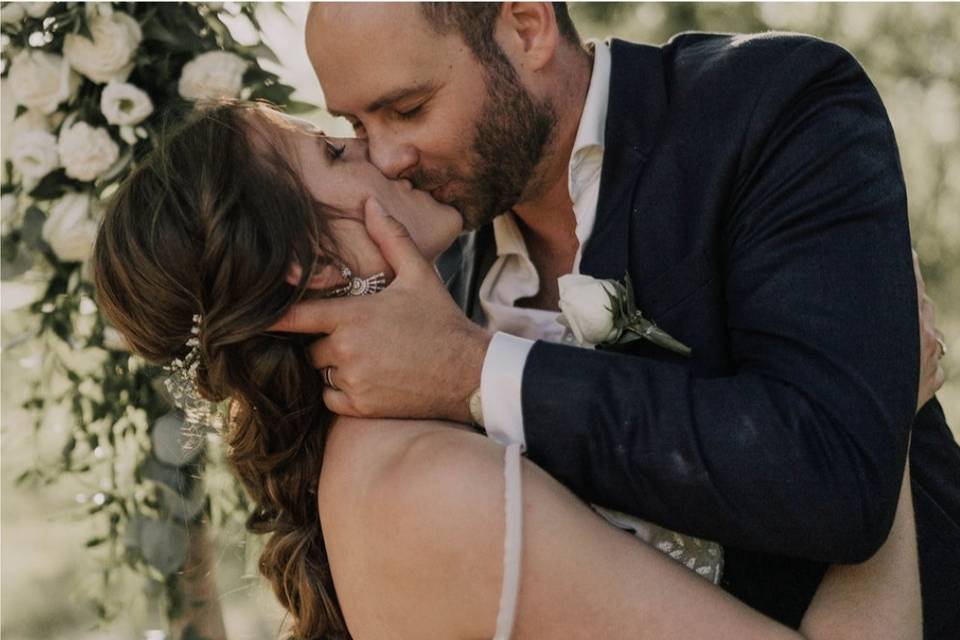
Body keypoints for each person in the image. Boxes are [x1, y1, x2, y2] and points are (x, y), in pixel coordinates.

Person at [94, 100, 935, 639]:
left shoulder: (397, 435)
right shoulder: (425, 486)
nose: (373, 147)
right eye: (332, 151)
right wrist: (881, 403)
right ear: (306, 266)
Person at [280, 3, 960, 636]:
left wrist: (475, 370)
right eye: (356, 128)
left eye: (407, 108)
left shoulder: (773, 106)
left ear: (526, 26)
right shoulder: (431, 273)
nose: (388, 159)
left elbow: (836, 479)